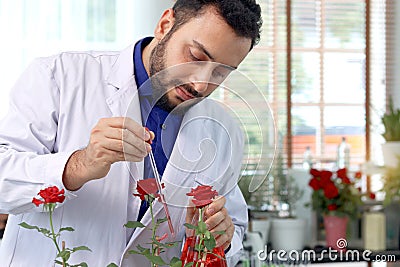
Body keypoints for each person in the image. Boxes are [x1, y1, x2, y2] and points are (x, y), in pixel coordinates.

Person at [0, 0, 262, 266]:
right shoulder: (59, 77)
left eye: (221, 72)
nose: (200, 84)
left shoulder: (223, 130)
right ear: (165, 25)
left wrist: (223, 237)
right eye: (195, 57)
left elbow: (235, 228)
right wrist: (80, 164)